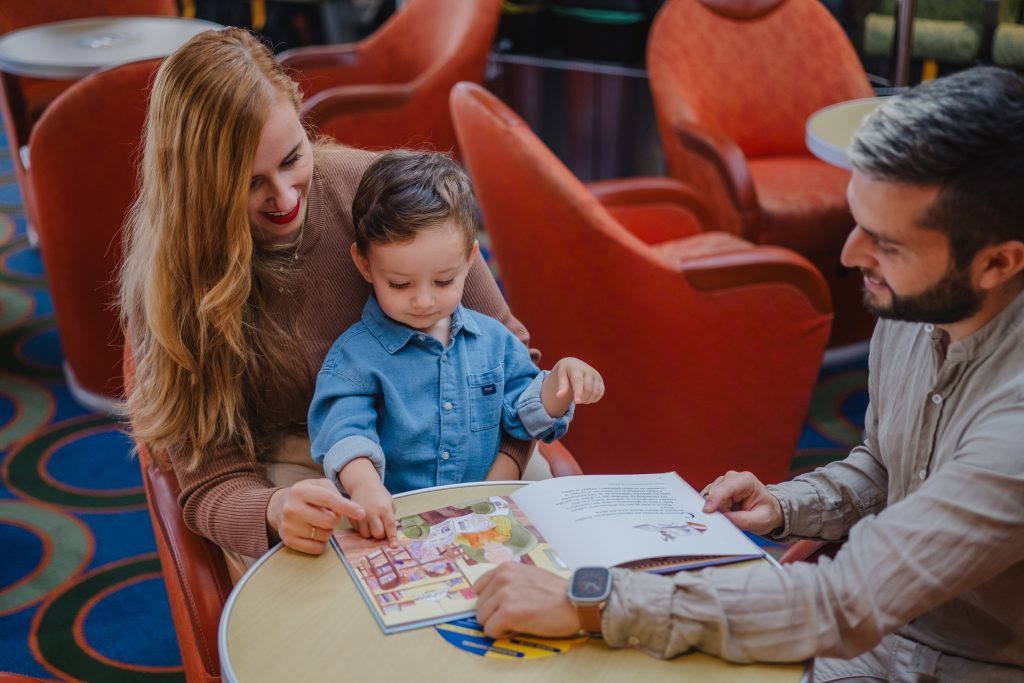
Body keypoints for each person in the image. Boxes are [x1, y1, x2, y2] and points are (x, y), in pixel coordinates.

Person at [473, 66, 1024, 681]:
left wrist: (592, 600)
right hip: (873, 634)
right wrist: (786, 506)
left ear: (997, 263)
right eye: (858, 223)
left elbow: (843, 602)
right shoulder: (918, 302)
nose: (849, 257)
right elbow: (887, 466)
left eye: (886, 244)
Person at [118, 28, 538, 575]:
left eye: (294, 158)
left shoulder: (376, 192)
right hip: (299, 462)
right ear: (199, 190)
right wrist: (272, 510)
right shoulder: (176, 281)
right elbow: (211, 482)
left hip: (458, 420)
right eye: (250, 185)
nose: (287, 198)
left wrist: (504, 466)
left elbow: (509, 352)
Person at [308, 151, 605, 545]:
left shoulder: (495, 342)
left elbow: (524, 414)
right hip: (397, 524)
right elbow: (345, 430)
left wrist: (559, 382)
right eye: (400, 284)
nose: (423, 301)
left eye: (444, 281)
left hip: (487, 521)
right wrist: (364, 487)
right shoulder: (354, 358)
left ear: (470, 261)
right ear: (365, 266)